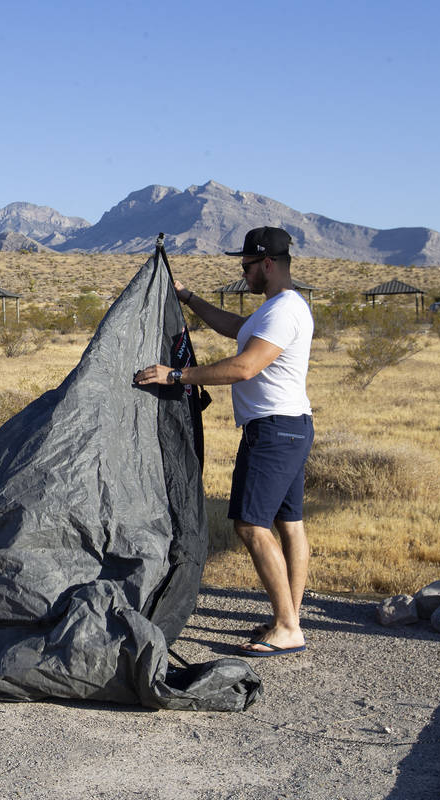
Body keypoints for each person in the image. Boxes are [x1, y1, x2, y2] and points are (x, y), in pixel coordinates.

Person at [135, 227, 314, 658]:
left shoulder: (283, 311)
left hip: (273, 432)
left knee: (251, 526)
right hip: (291, 426)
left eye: (247, 266)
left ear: (267, 264)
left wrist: (176, 375)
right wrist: (191, 299)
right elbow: (237, 328)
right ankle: (289, 616)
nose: (243, 273)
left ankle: (288, 627)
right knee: (289, 524)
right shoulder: (279, 308)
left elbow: (245, 367)